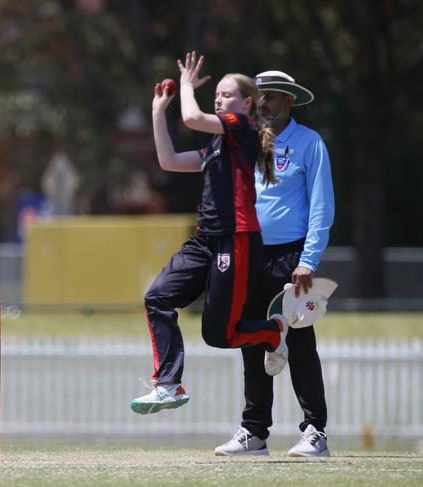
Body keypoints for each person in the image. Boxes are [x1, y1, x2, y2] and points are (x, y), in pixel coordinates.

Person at [130, 53, 289, 415]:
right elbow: (169, 161)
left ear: (247, 103)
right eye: (216, 96)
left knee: (220, 336)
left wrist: (186, 86)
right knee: (157, 298)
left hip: (236, 238)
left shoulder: (242, 128)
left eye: (226, 95)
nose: (219, 101)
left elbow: (191, 117)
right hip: (205, 240)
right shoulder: (215, 146)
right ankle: (168, 384)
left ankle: (271, 333)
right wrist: (158, 111)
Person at [214, 71, 335, 457]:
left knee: (299, 340)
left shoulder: (309, 142)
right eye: (260, 96)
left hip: (291, 257)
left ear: (290, 102)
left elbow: (321, 206)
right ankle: (254, 432)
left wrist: (308, 259)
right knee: (251, 339)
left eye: (274, 97)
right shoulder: (245, 139)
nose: (265, 103)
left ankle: (315, 430)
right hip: (249, 253)